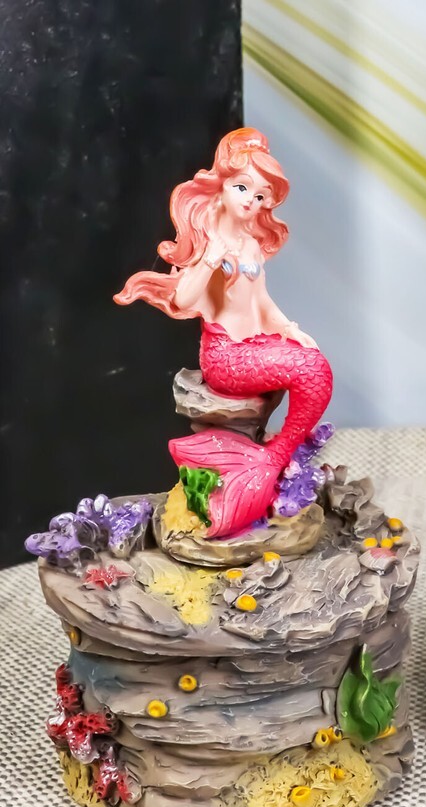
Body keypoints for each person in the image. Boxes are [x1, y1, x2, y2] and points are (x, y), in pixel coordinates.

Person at [115, 127, 333, 536]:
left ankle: (273, 455)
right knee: (313, 372)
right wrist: (209, 260)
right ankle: (274, 458)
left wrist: (289, 328)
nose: (251, 201)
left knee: (315, 365)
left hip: (255, 342)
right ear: (221, 187)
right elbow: (183, 298)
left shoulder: (250, 243)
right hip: (227, 356)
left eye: (261, 196)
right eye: (242, 188)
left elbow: (261, 302)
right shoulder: (209, 241)